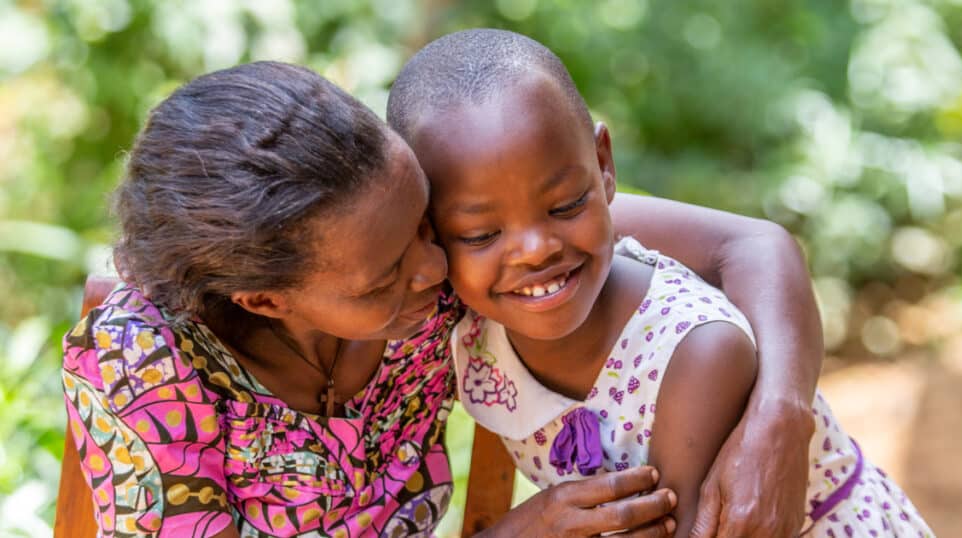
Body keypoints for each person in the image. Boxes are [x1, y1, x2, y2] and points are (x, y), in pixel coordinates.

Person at [62, 59, 814, 537]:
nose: (433, 268)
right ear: (264, 302)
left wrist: (779, 418)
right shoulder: (145, 368)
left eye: (428, 224)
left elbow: (748, 244)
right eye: (384, 277)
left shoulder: (449, 254)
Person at [386, 29, 935, 537]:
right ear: (427, 232)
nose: (536, 249)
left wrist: (782, 415)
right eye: (482, 234)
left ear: (603, 165)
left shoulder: (693, 349)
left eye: (567, 204)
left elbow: (756, 244)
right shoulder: (465, 304)